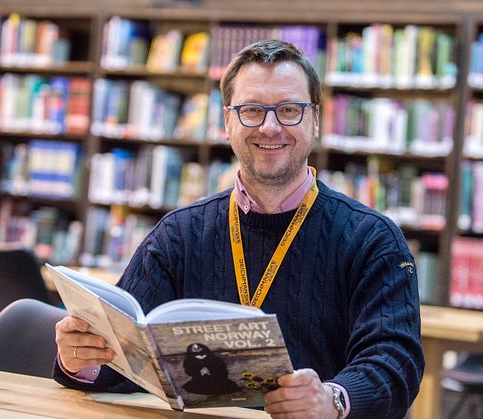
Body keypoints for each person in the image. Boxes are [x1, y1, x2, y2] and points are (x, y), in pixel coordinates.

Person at [54, 39, 424, 418]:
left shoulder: (373, 240)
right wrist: (83, 359)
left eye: (289, 110)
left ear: (315, 120)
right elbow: (127, 361)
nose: (270, 126)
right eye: (251, 110)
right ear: (227, 121)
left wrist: (333, 400)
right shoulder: (178, 236)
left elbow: (396, 364)